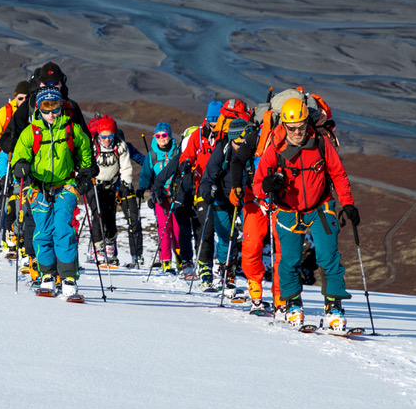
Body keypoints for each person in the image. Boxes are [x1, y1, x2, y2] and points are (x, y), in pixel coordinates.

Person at [252, 96, 360, 331]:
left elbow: (339, 174)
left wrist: (348, 204)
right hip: (288, 210)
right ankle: (292, 304)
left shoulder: (320, 142)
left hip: (321, 207)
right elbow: (257, 184)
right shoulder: (274, 147)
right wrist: (267, 186)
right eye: (292, 128)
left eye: (301, 126)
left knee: (329, 256)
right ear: (283, 125)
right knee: (289, 260)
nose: (297, 132)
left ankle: (334, 307)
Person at [0, 63, 92, 268]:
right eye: (46, 83)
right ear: (37, 82)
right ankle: (37, 262)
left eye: (55, 83)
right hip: (33, 176)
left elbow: (84, 140)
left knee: (63, 223)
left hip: (64, 176)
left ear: (62, 83)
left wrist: (86, 171)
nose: (50, 86)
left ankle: (62, 266)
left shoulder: (69, 107)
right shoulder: (29, 106)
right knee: (35, 220)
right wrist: (20, 157)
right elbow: (5, 140)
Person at [9, 87, 95, 299]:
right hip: (38, 189)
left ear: (60, 106)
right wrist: (19, 166)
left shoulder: (72, 130)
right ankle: (47, 275)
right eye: (46, 107)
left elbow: (86, 153)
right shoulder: (31, 132)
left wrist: (85, 175)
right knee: (43, 232)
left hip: (66, 186)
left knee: (63, 229)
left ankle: (68, 278)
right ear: (38, 107)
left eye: (54, 106)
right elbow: (19, 157)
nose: (51, 112)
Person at [190, 99, 253, 287]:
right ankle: (227, 272)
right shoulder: (221, 148)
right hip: (220, 198)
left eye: (244, 141)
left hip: (243, 197)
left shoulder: (251, 150)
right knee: (226, 236)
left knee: (248, 237)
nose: (241, 145)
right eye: (238, 141)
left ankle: (240, 275)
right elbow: (209, 174)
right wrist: (206, 193)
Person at [86, 114, 138, 267]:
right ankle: (99, 249)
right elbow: (84, 163)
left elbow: (126, 166)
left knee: (110, 216)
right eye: (104, 136)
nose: (107, 139)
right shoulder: (92, 146)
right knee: (98, 215)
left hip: (110, 185)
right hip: (94, 184)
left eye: (110, 136)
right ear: (99, 134)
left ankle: (110, 245)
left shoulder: (120, 146)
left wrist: (125, 182)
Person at [140, 122, 193, 273]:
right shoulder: (152, 154)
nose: (162, 138)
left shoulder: (177, 151)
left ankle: (180, 258)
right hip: (160, 196)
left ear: (170, 136)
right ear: (155, 137)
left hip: (177, 195)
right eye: (158, 136)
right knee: (164, 228)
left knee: (178, 229)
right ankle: (166, 262)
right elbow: (145, 173)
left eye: (164, 135)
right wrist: (142, 189)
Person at [0, 81, 30, 250]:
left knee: (23, 203)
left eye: (27, 98)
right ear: (15, 97)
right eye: (21, 98)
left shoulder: (32, 113)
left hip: (22, 163)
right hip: (6, 161)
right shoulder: (5, 112)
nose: (24, 101)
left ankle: (21, 236)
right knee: (8, 202)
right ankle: (7, 234)